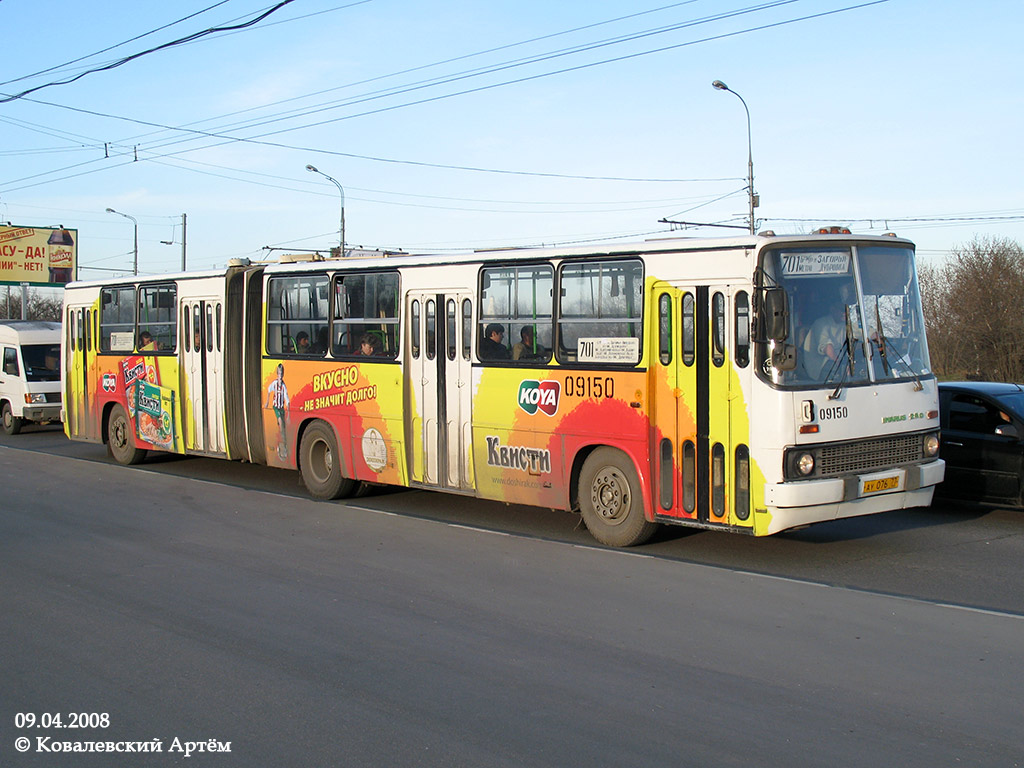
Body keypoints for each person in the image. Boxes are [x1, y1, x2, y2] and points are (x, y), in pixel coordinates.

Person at [265, 363, 290, 459]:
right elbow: (268, 390)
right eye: (278, 374)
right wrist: (267, 402)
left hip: (282, 408)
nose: (280, 376)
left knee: (283, 426)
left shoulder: (284, 386)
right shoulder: (274, 384)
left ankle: (283, 443)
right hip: (276, 407)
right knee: (280, 421)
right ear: (277, 374)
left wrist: (288, 416)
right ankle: (282, 442)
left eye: (281, 374)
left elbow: (287, 400)